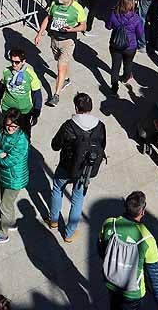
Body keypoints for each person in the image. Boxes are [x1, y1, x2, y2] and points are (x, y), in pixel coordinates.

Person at [49, 92, 106, 242]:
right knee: (77, 199)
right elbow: (102, 146)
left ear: (76, 107)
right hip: (85, 170)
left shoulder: (69, 125)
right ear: (91, 107)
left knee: (57, 189)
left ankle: (53, 220)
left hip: (66, 167)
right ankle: (69, 233)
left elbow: (55, 145)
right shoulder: (100, 126)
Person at [98, 191, 158, 310]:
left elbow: (101, 249)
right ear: (142, 211)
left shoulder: (109, 224)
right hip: (132, 293)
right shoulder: (147, 239)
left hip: (111, 282)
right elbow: (155, 274)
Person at [34, 0, 88, 107]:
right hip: (54, 39)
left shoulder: (77, 8)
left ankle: (56, 96)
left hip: (68, 41)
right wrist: (39, 34)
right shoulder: (54, 4)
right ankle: (65, 79)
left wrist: (71, 29)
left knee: (61, 66)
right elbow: (48, 18)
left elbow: (84, 26)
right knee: (59, 61)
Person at [0, 108, 29, 245]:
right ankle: (11, 222)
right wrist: (0, 153)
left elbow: (8, 161)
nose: (10, 128)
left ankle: (2, 234)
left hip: (15, 178)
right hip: (4, 174)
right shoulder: (1, 131)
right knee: (7, 202)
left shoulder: (22, 141)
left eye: (14, 126)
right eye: (8, 125)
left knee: (4, 205)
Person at [105, 0, 145, 95]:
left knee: (115, 66)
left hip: (116, 44)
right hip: (130, 47)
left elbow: (108, 26)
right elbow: (140, 34)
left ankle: (114, 89)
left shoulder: (114, 14)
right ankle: (125, 78)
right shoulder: (136, 19)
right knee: (128, 63)